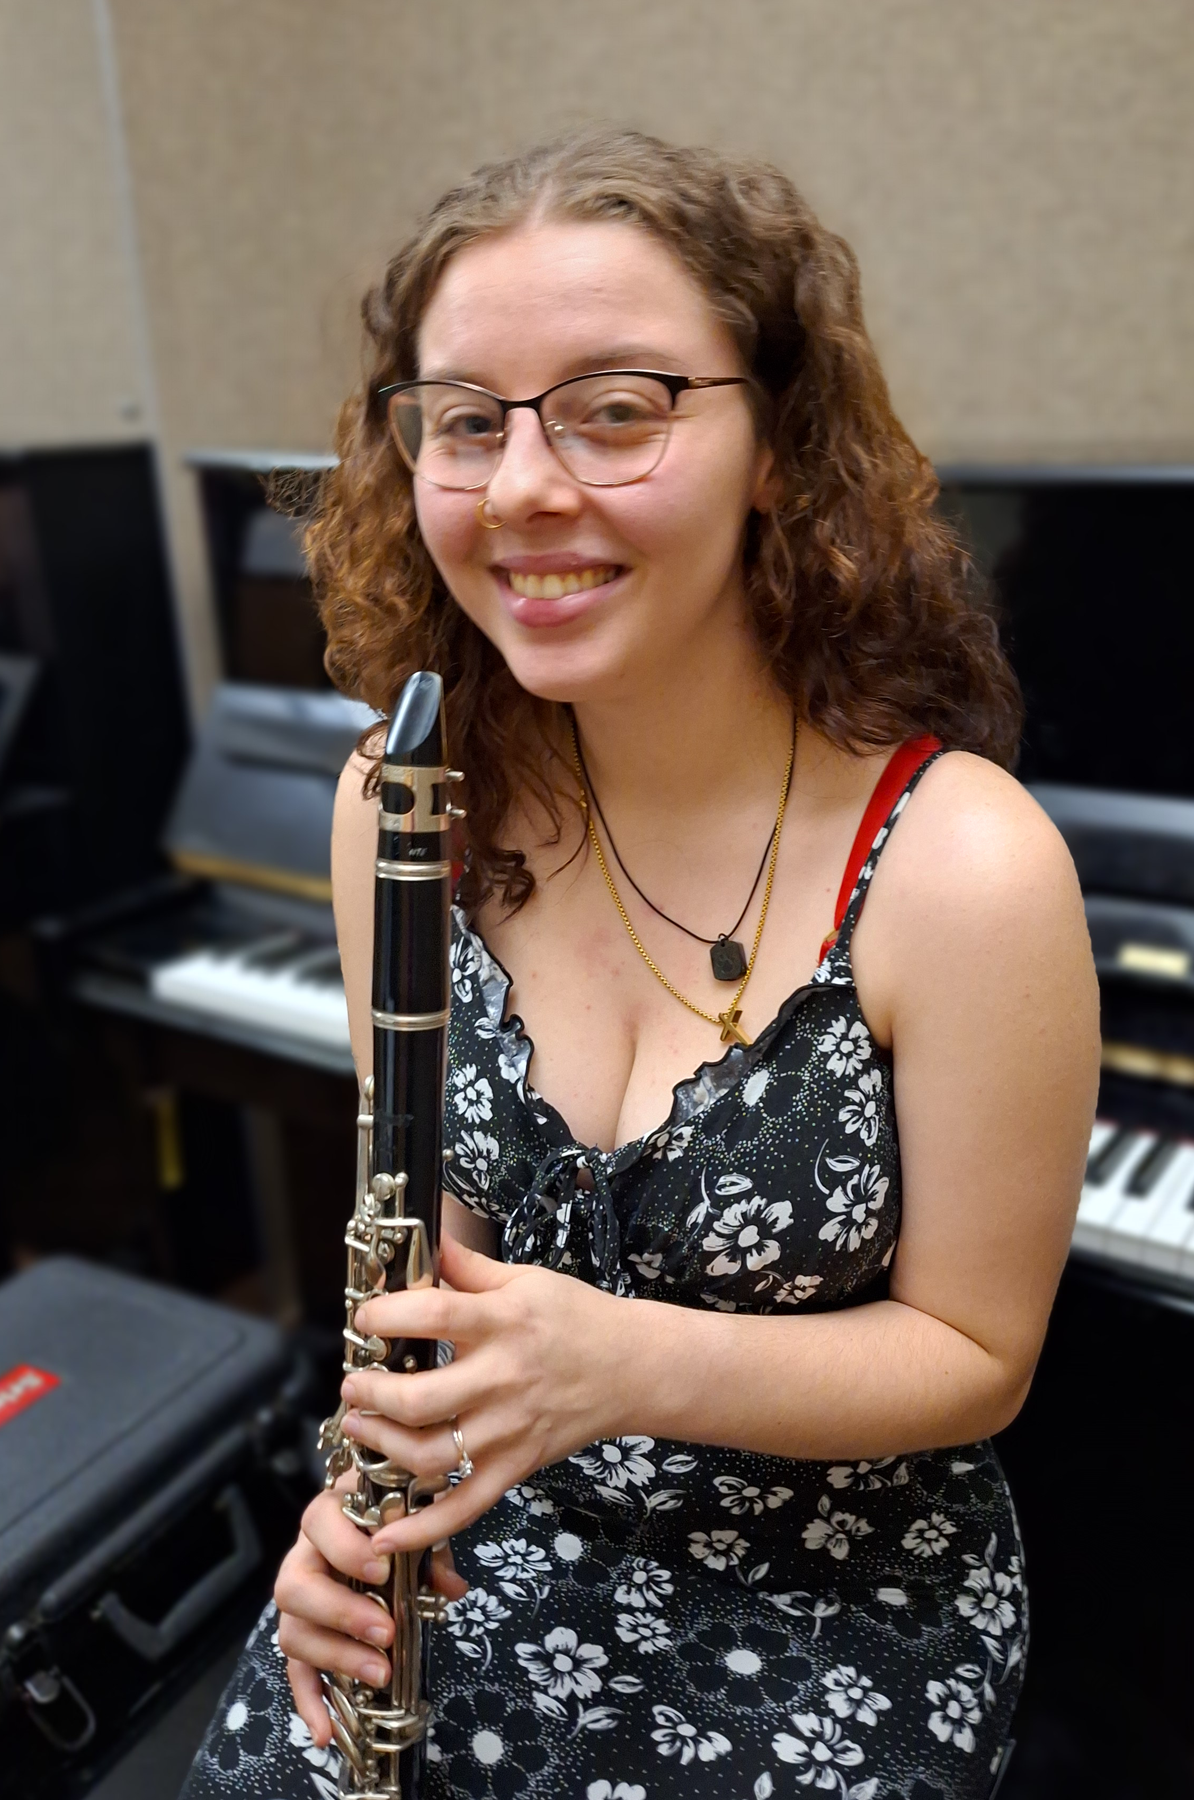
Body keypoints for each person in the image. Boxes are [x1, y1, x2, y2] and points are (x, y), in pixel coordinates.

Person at [181, 127, 1099, 1800]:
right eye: (467, 422)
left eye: (618, 409)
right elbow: (423, 1289)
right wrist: (352, 1511)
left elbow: (980, 1358)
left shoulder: (965, 865)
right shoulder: (401, 811)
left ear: (777, 447)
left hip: (829, 1595)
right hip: (490, 1536)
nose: (526, 488)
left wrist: (622, 1364)